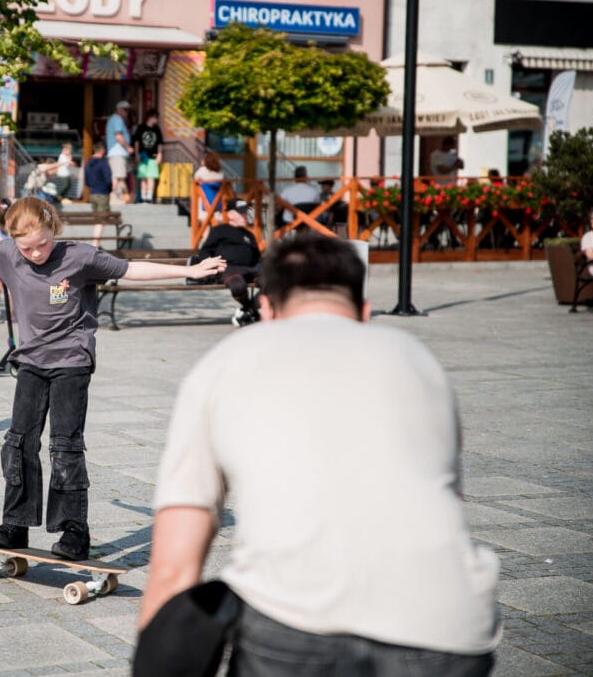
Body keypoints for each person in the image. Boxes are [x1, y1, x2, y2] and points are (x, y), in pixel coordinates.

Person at [138, 233, 500, 675]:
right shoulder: (418, 360)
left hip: (291, 620)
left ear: (266, 309)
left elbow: (175, 565)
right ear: (364, 313)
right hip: (448, 624)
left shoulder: (226, 362)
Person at [0, 196, 226, 561]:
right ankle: (15, 524)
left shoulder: (80, 257)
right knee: (19, 442)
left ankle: (74, 531)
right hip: (30, 362)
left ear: (53, 228)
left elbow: (131, 269)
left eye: (43, 244)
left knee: (65, 445)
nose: (36, 253)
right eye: (27, 248)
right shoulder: (8, 254)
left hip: (72, 363)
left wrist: (188, 271)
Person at [193, 200, 261, 327]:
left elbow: (258, 257)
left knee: (273, 282)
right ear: (230, 214)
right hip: (229, 269)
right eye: (241, 213)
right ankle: (249, 309)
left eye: (246, 213)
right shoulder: (220, 230)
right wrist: (213, 266)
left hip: (250, 270)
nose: (245, 216)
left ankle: (248, 311)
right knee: (237, 284)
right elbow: (205, 251)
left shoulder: (249, 234)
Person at [83, 141, 113, 247]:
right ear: (103, 150)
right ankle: (95, 243)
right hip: (103, 193)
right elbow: (108, 180)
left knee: (97, 219)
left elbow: (86, 180)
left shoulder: (88, 163)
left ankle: (96, 242)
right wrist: (109, 189)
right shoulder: (103, 163)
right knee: (101, 219)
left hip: (92, 193)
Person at [131, 108, 164, 204]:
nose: (157, 120)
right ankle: (143, 197)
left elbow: (160, 144)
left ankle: (149, 197)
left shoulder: (157, 129)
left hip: (152, 156)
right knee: (143, 177)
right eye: (156, 117)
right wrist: (136, 154)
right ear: (150, 117)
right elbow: (136, 142)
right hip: (142, 156)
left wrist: (159, 155)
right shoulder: (141, 127)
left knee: (151, 176)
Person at [105, 100, 134, 204]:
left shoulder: (114, 119)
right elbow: (118, 136)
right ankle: (115, 197)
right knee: (118, 176)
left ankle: (120, 197)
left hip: (116, 152)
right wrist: (128, 147)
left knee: (118, 176)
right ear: (119, 110)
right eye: (125, 110)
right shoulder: (117, 119)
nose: (127, 113)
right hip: (118, 152)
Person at [193, 151, 225, 221]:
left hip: (204, 204)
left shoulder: (202, 171)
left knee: (205, 227)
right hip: (218, 204)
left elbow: (195, 179)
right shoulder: (220, 173)